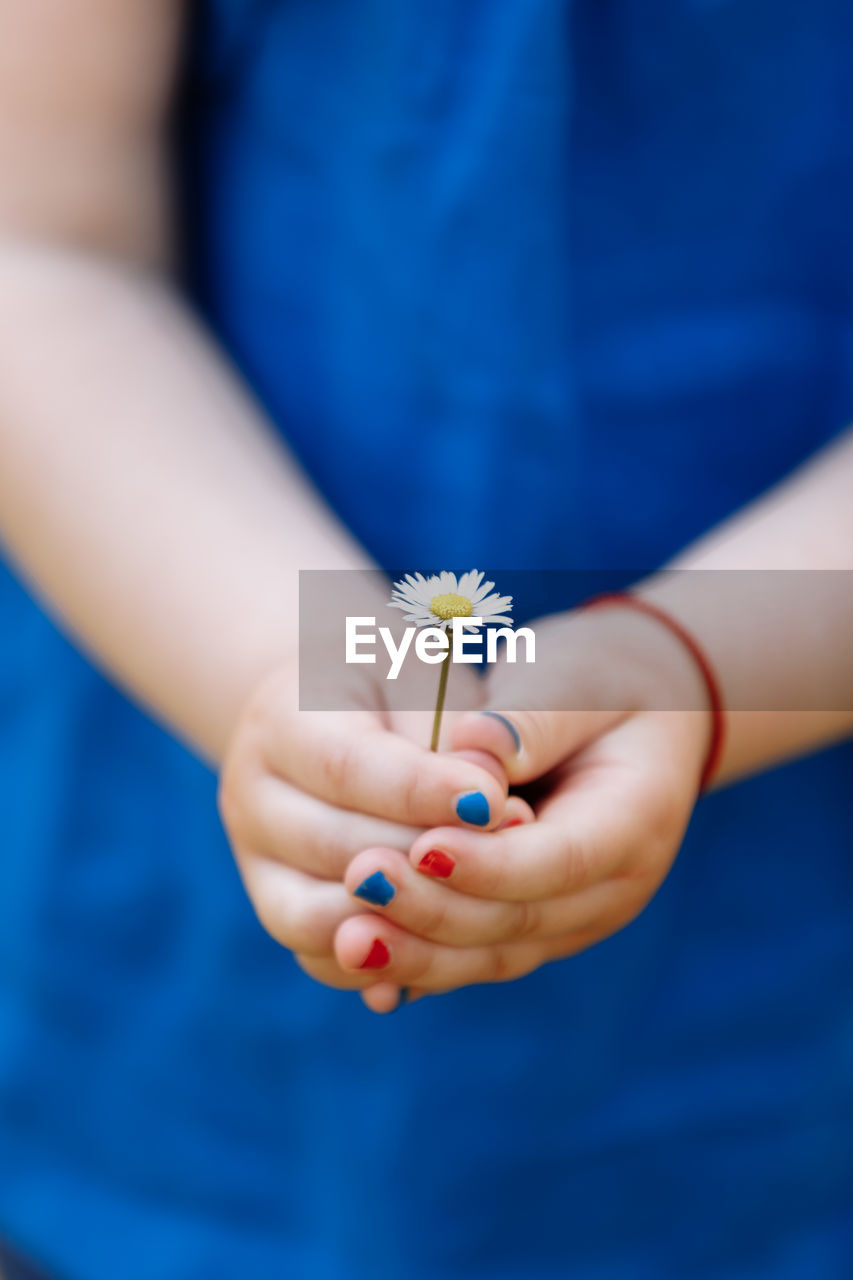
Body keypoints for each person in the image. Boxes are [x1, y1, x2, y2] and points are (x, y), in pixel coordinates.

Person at [0, 1, 851, 1277]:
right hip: (179, 989)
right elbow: (41, 246)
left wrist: (692, 669)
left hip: (776, 1028)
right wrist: (294, 681)